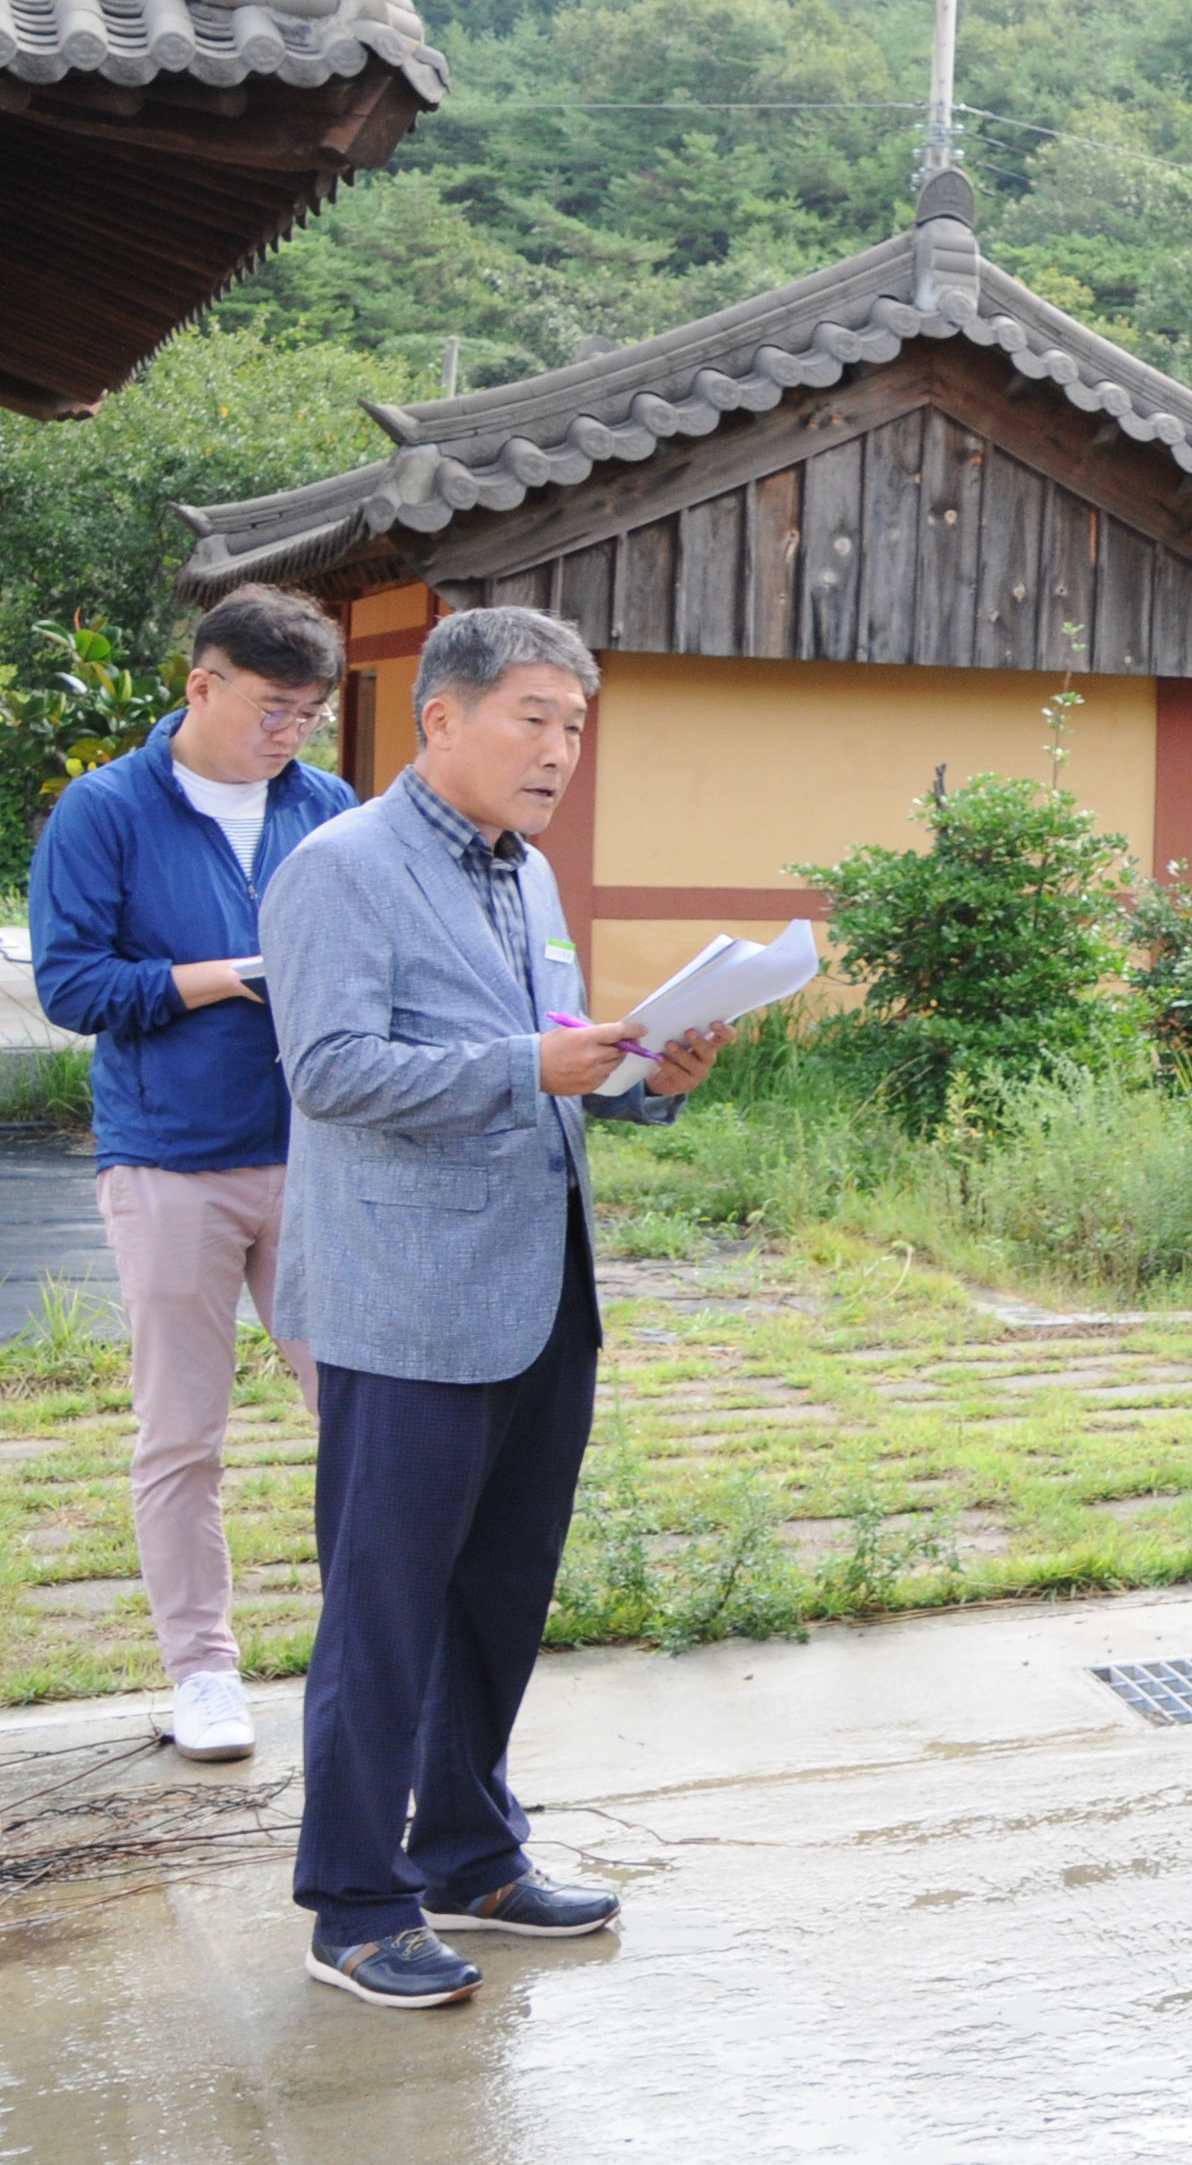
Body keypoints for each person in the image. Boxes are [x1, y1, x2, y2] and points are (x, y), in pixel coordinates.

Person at [264, 606, 728, 2009]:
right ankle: (355, 1905)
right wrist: (529, 1063)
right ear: (442, 718)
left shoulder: (521, 872)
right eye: (534, 717)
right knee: (385, 1612)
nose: (559, 750)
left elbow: (549, 1057)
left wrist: (642, 1073)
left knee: (498, 1596)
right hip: (407, 1301)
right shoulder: (343, 867)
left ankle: (470, 1854)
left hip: (539, 1291)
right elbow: (330, 1069)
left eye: (575, 726)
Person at [24, 584, 357, 1766]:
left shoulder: (326, 806)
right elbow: (71, 986)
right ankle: (202, 1670)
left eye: (310, 714)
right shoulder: (105, 809)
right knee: (182, 1430)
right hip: (170, 1158)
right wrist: (223, 976)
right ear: (201, 685)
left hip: (320, 1150)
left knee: (362, 1410)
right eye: (273, 709)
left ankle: (372, 1648)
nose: (292, 733)